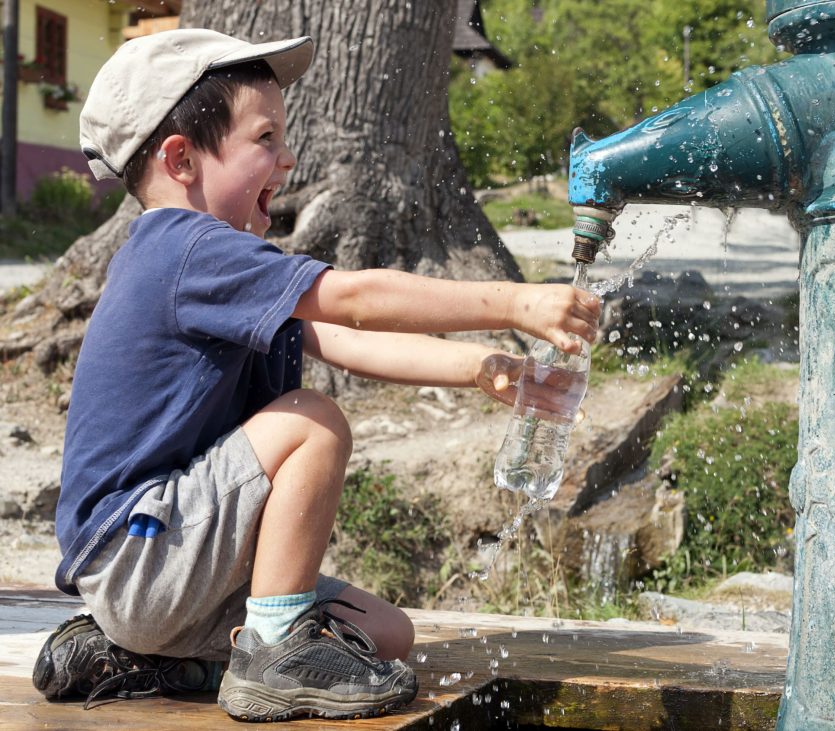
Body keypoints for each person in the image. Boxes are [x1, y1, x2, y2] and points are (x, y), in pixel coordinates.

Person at [31, 29, 600, 723]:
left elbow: (340, 337)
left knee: (390, 633)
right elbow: (355, 299)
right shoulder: (186, 249)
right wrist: (517, 301)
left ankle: (154, 654)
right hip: (141, 557)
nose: (289, 157)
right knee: (312, 420)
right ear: (181, 157)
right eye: (265, 137)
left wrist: (484, 369)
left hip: (170, 569)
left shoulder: (209, 265)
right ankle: (271, 653)